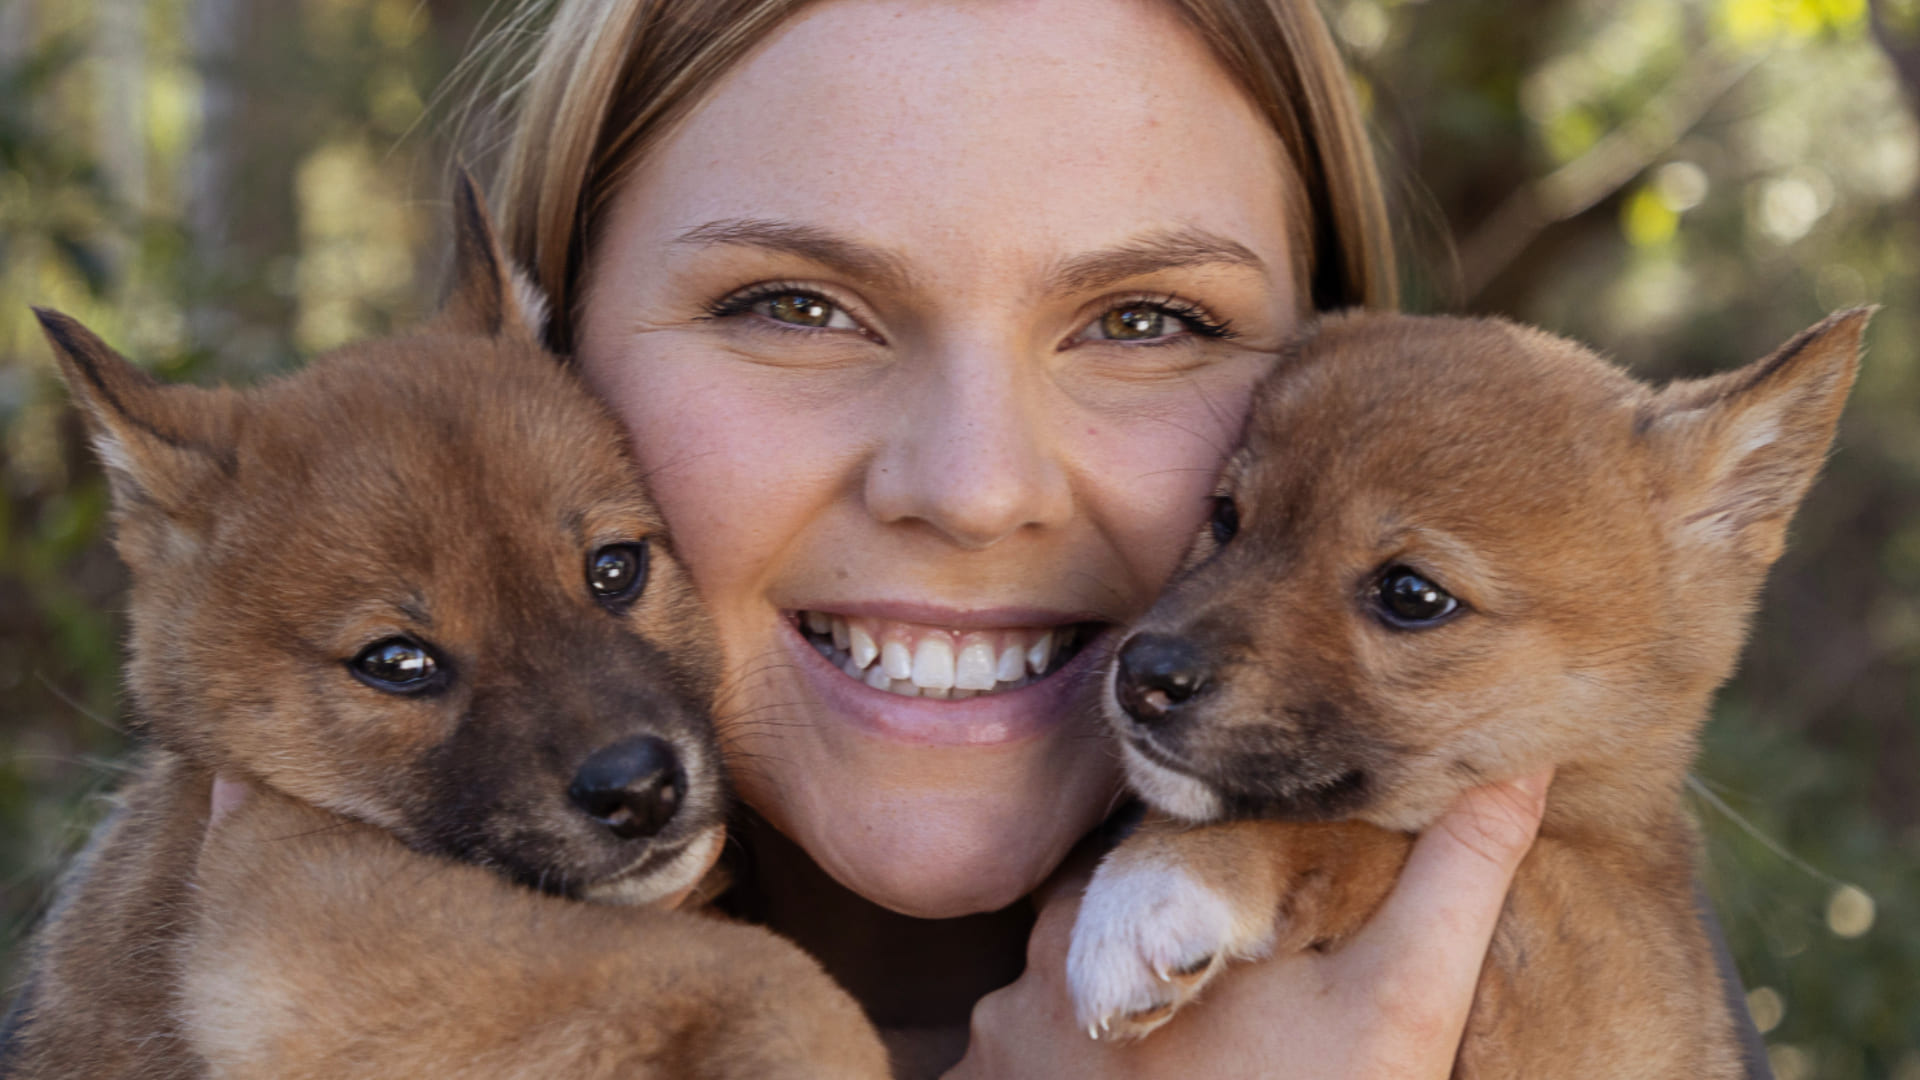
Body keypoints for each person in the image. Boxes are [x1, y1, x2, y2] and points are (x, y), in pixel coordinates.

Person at [185, 0, 1765, 1076]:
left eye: (1146, 319)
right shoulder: (216, 963)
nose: (974, 484)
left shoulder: (1601, 988)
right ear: (541, 347)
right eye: (792, 306)